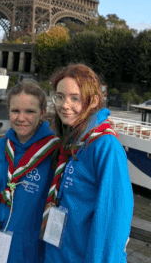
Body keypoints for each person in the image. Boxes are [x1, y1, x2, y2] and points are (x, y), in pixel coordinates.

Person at [42, 64, 133, 263]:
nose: (65, 105)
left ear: (92, 101)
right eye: (60, 96)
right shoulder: (72, 141)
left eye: (75, 98)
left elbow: (113, 221)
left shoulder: (106, 146)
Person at [0, 81, 58, 263]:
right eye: (15, 111)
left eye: (30, 111)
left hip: (29, 253)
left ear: (42, 112)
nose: (21, 118)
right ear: (8, 111)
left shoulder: (54, 153)